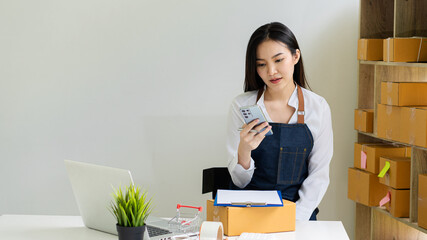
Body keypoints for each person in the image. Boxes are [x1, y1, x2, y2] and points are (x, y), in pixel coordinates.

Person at [226, 22, 333, 221]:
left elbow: (319, 175)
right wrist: (244, 150)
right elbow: (239, 181)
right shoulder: (241, 106)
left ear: (295, 57)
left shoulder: (317, 107)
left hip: (297, 214)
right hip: (248, 212)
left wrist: (295, 219)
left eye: (278, 60)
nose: (271, 71)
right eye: (261, 64)